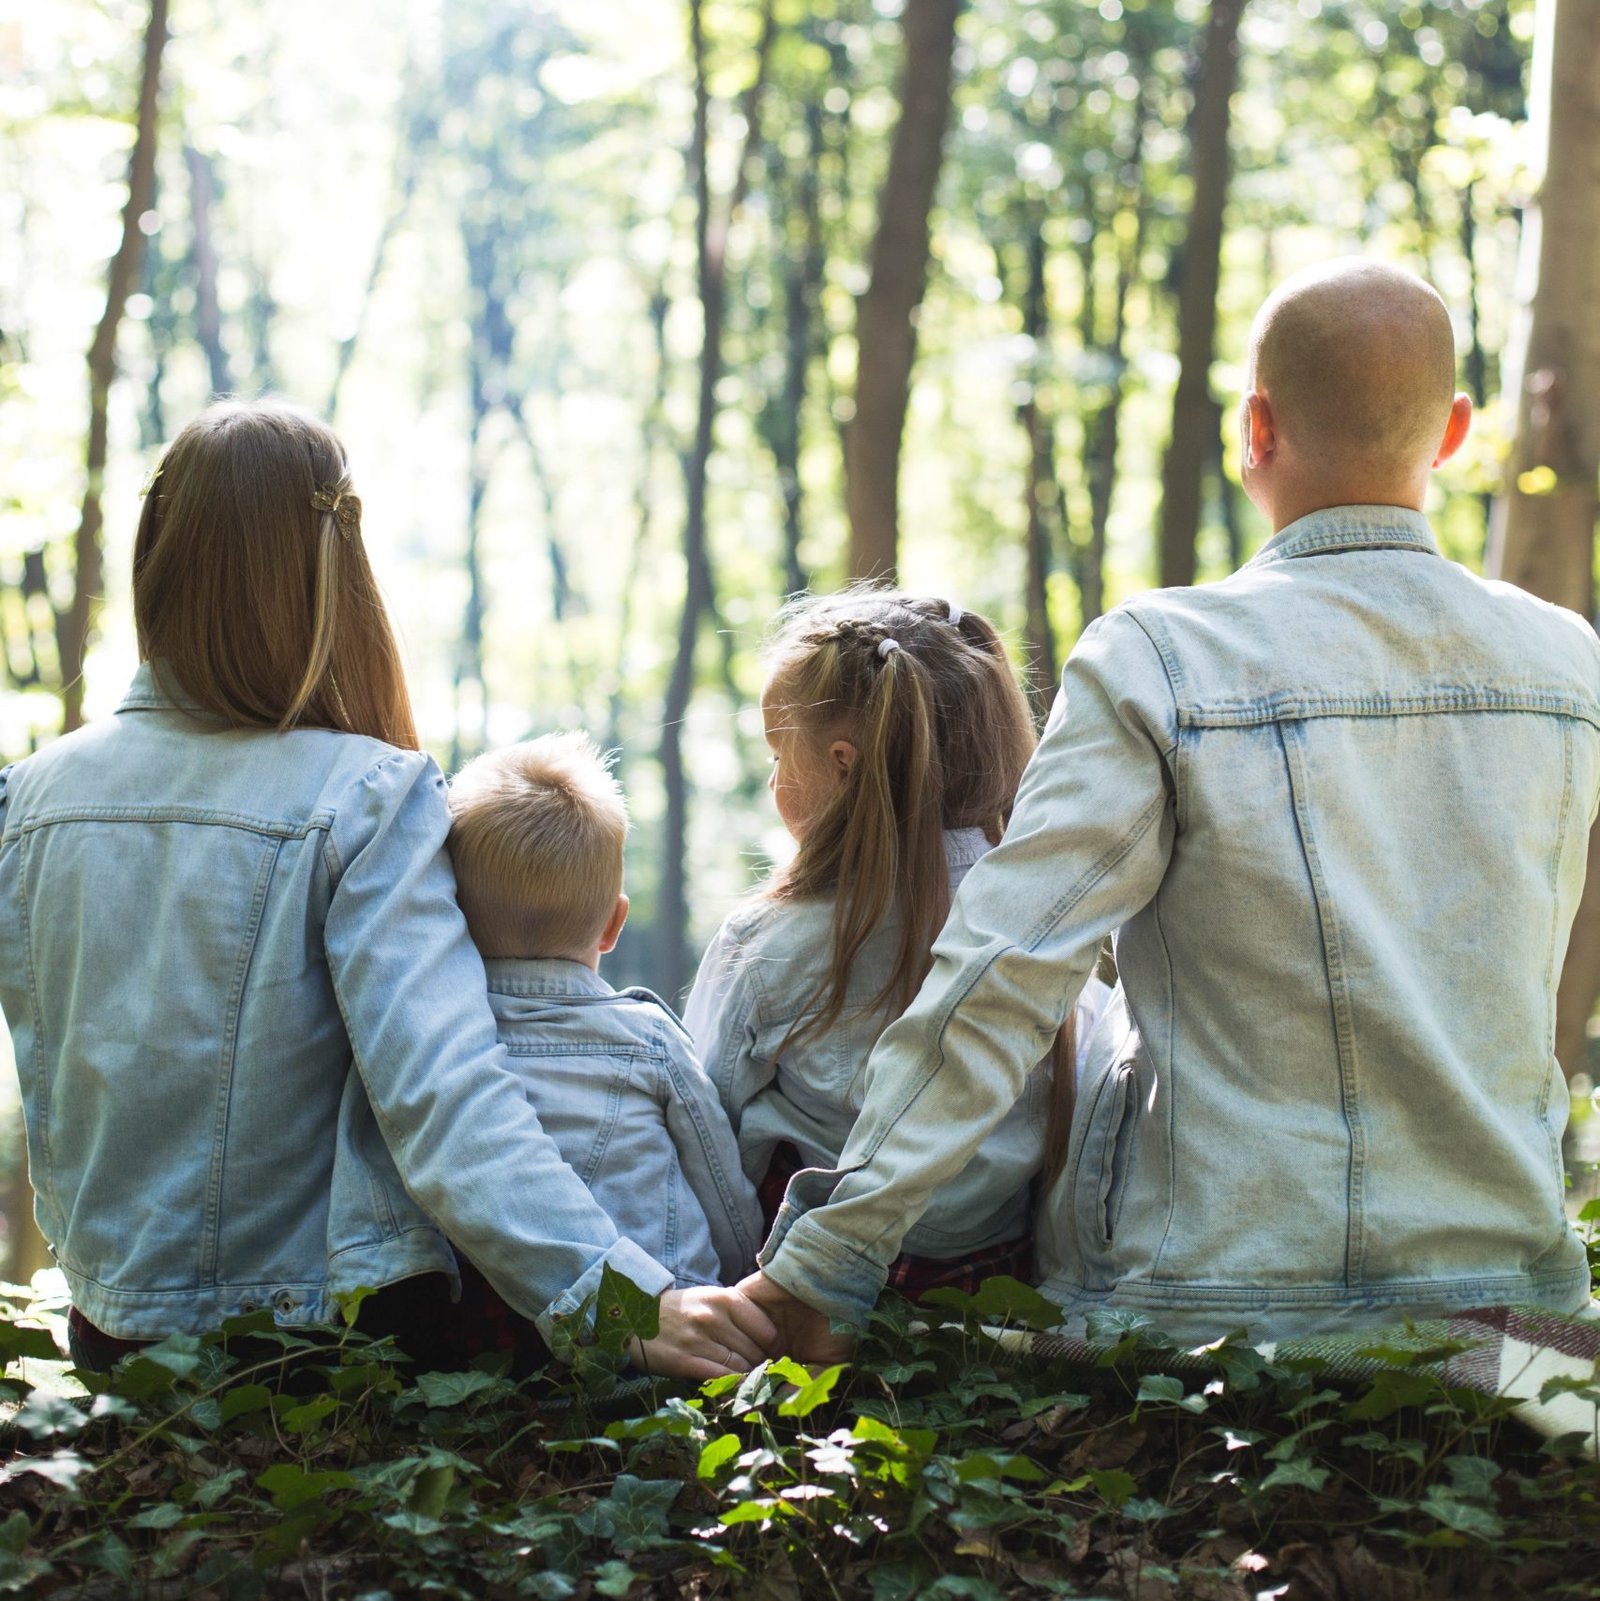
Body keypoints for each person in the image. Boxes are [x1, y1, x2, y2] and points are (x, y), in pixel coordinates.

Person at [739, 260, 1600, 1354]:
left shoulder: (1161, 658)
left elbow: (1004, 970)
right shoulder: (1567, 664)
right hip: (1512, 1310)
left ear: (1254, 428)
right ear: (1454, 434)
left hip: (1208, 1306)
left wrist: (831, 1257)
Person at [0, 399, 774, 1379]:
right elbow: (444, 1096)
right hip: (314, 1351)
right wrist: (622, 1301)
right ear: (335, 568)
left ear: (156, 549)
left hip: (111, 1339)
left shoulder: (27, 797)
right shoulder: (366, 794)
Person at [685, 592, 1111, 1297]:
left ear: (843, 764)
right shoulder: (1050, 933)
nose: (771, 781)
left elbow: (705, 1130)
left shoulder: (767, 944)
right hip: (993, 1291)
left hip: (799, 1291)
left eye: (777, 754)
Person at [444, 732, 761, 1299]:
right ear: (615, 925)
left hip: (499, 1334)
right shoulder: (649, 1039)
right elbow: (723, 1193)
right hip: (667, 1319)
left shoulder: (437, 1043)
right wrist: (741, 1278)